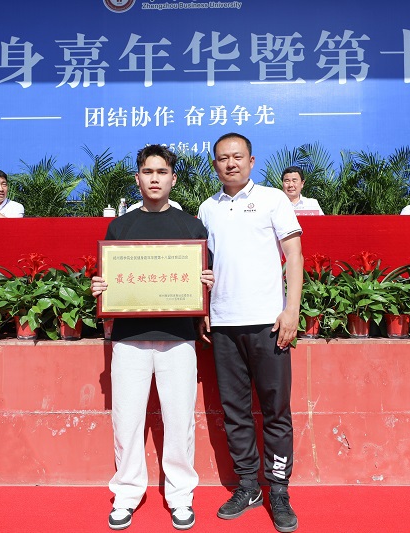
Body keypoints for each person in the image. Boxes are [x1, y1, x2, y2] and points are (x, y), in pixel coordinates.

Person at [91, 144, 214, 531]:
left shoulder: (191, 227)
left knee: (180, 422)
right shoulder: (120, 227)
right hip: (129, 338)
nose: (155, 178)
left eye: (162, 172)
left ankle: (180, 496)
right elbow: (109, 278)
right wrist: (100, 287)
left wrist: (207, 283)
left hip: (179, 338)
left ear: (173, 179)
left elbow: (205, 282)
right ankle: (127, 494)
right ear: (138, 178)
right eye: (148, 172)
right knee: (126, 421)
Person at [197, 133, 303, 533]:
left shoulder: (274, 199)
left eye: (237, 156)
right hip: (224, 324)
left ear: (251, 160)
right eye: (223, 158)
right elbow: (203, 266)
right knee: (235, 411)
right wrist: (203, 309)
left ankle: (279, 490)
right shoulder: (207, 208)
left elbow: (294, 255)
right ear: (215, 165)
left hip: (268, 322)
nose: (231, 164)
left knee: (276, 410)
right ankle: (248, 486)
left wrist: (291, 310)